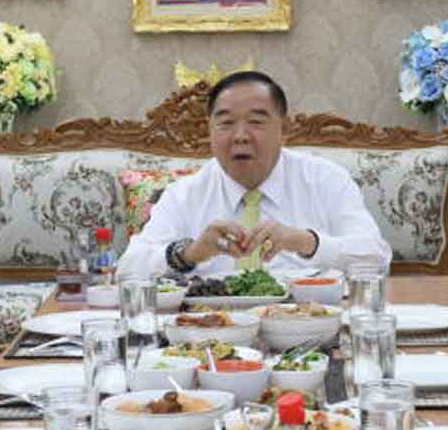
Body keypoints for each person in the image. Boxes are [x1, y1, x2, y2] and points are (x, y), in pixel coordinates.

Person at [117, 71, 392, 279]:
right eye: (225, 123)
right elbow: (127, 270)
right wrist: (189, 254)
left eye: (256, 122)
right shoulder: (185, 193)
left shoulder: (326, 180)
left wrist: (305, 241)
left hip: (310, 328)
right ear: (209, 130)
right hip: (212, 337)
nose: (240, 136)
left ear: (285, 128)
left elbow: (376, 259)